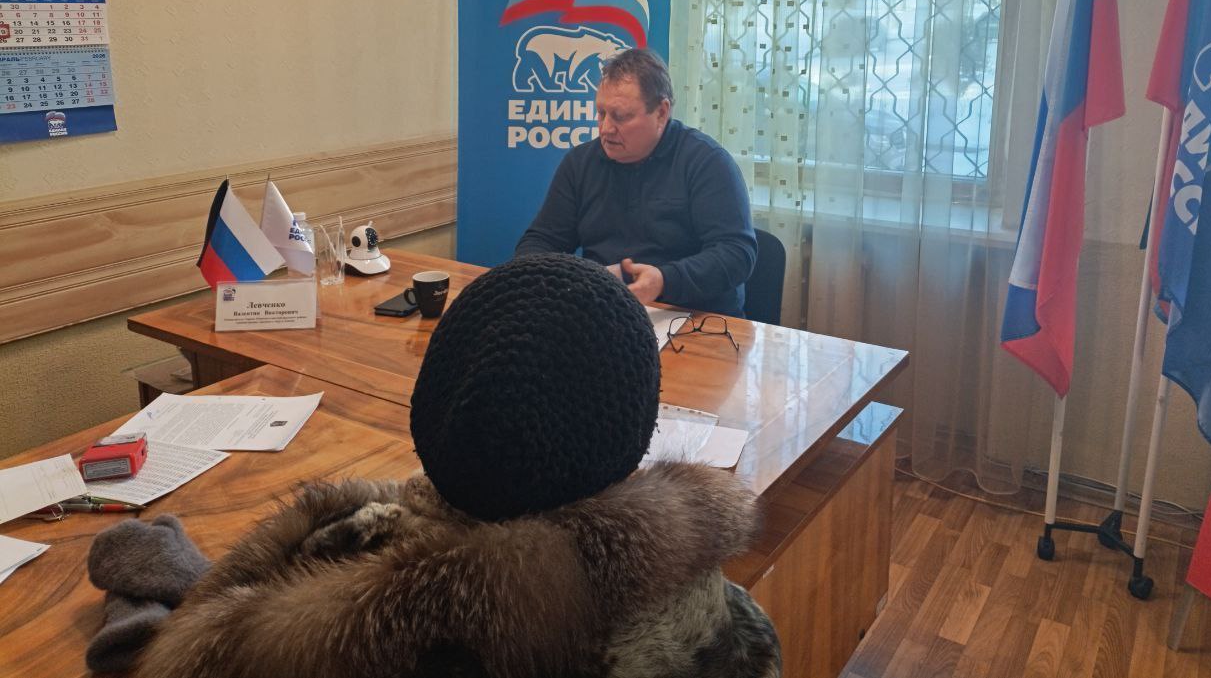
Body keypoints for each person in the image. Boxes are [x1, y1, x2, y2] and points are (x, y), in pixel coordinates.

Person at [84, 254, 781, 678]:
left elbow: (192, 658)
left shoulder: (352, 614)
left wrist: (163, 604)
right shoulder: (705, 592)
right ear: (635, 428)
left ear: (433, 406)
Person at [515, 48, 757, 316]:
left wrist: (664, 281)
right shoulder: (581, 162)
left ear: (661, 113)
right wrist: (556, 281)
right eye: (601, 113)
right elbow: (541, 240)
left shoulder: (707, 162)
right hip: (604, 312)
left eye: (620, 116)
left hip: (692, 317)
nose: (606, 128)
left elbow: (736, 254)